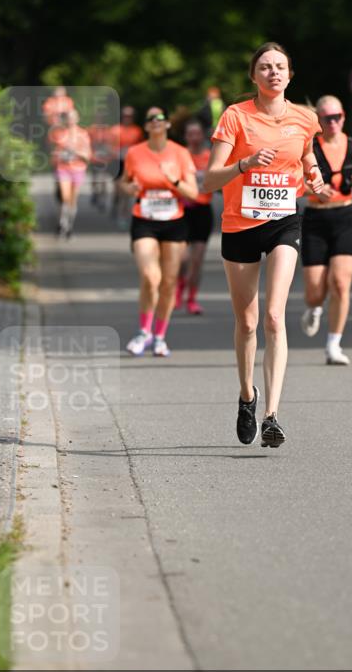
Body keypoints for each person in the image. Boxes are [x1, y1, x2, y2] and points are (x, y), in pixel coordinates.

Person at [204, 42, 324, 448]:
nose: (273, 73)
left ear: (291, 75)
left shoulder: (305, 119)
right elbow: (209, 180)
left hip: (284, 222)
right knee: (248, 322)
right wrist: (244, 165)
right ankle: (246, 396)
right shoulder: (236, 117)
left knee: (274, 316)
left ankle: (272, 415)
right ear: (253, 76)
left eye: (280, 67)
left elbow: (308, 159)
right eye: (265, 67)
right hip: (240, 225)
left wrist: (315, 177)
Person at [300, 95, 352, 364]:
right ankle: (314, 308)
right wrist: (315, 190)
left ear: (344, 117)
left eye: (337, 117)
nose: (333, 123)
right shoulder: (309, 147)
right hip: (314, 220)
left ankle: (334, 345)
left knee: (341, 284)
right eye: (327, 118)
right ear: (318, 120)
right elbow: (295, 182)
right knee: (315, 292)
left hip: (344, 217)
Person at [119, 107, 198, 357]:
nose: (155, 122)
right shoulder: (135, 152)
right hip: (144, 219)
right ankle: (144, 332)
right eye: (150, 119)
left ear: (166, 125)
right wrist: (129, 187)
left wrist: (174, 180)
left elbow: (194, 193)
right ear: (146, 126)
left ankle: (160, 336)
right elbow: (123, 181)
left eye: (160, 119)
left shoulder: (180, 153)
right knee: (150, 277)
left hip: (174, 222)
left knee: (168, 283)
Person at [175, 119, 214, 315]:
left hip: (202, 212)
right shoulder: (179, 156)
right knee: (182, 259)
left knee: (197, 260)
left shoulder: (210, 157)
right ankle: (179, 289)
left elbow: (218, 182)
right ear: (186, 136)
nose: (195, 137)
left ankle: (192, 299)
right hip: (181, 211)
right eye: (191, 134)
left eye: (197, 133)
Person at [48, 108, 92, 238]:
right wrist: (59, 155)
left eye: (73, 117)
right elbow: (53, 153)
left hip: (78, 169)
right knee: (65, 197)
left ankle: (69, 224)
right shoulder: (59, 134)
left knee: (73, 199)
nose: (70, 120)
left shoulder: (83, 134)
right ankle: (62, 223)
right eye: (68, 117)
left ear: (77, 119)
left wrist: (75, 152)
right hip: (63, 169)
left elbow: (88, 156)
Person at [112, 106, 144, 227]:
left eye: (130, 116)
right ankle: (116, 204)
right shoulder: (115, 130)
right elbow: (109, 147)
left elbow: (140, 146)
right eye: (125, 116)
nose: (127, 118)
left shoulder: (137, 131)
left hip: (130, 163)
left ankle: (123, 214)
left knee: (125, 190)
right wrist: (117, 151)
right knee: (117, 189)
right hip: (117, 162)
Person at [88, 109, 118, 211]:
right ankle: (95, 192)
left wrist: (111, 152)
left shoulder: (107, 130)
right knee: (95, 179)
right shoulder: (91, 129)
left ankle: (103, 200)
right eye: (98, 118)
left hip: (105, 158)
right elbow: (88, 143)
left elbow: (111, 144)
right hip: (95, 157)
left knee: (104, 179)